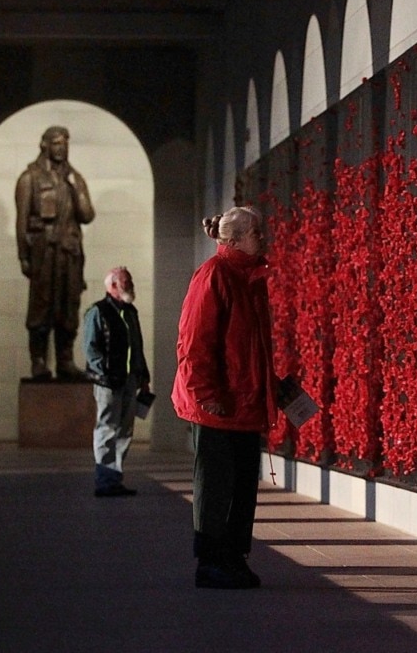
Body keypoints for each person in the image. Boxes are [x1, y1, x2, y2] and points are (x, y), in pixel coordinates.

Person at [172, 206, 277, 589]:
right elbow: (194, 342)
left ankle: (232, 556)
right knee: (216, 487)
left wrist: (270, 387)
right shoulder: (215, 275)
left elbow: (251, 348)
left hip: (244, 405)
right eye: (254, 232)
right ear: (232, 240)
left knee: (242, 486)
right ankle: (211, 560)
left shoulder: (248, 278)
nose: (261, 238)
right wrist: (206, 393)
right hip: (219, 407)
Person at [15, 125, 96, 380]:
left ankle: (65, 360)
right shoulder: (30, 178)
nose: (62, 148)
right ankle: (38, 361)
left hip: (70, 253)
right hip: (44, 253)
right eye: (58, 143)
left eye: (65, 144)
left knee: (69, 306)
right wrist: (23, 256)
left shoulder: (75, 178)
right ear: (45, 145)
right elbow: (21, 221)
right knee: (41, 307)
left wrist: (77, 187)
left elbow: (87, 215)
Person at [83, 266, 151, 497]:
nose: (131, 285)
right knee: (107, 428)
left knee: (125, 430)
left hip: (130, 380)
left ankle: (114, 478)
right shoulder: (98, 312)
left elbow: (137, 346)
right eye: (126, 281)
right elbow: (91, 349)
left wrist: (143, 376)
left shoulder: (130, 312)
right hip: (108, 383)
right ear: (112, 285)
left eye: (130, 281)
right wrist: (106, 373)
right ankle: (105, 480)